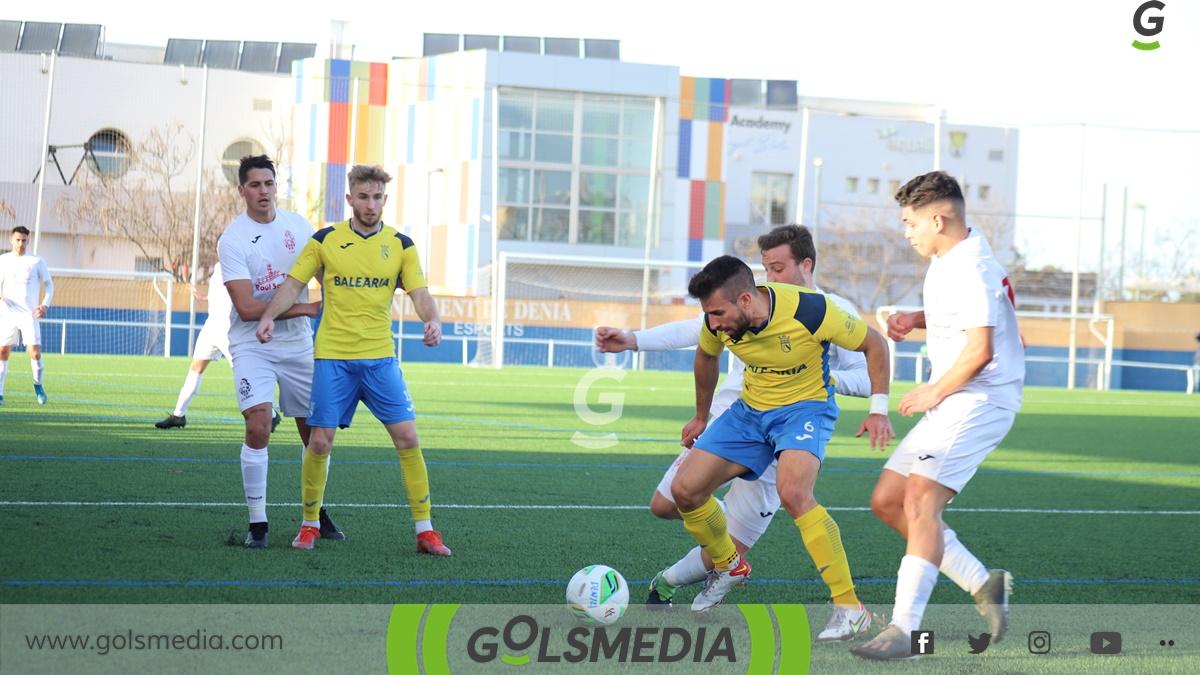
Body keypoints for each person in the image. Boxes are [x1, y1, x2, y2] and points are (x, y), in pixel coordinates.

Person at [595, 224, 875, 640]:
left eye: (778, 267)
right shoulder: (741, 305)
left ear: (806, 264)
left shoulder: (825, 309)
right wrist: (634, 340)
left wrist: (819, 378)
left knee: (758, 523)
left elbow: (867, 374)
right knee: (668, 503)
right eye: (765, 267)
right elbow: (697, 331)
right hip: (737, 419)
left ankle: (667, 583)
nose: (770, 277)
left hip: (793, 425)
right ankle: (723, 550)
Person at [851, 171, 1024, 660]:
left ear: (937, 218)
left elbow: (981, 349)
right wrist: (914, 317)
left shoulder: (970, 266)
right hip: (959, 398)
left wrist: (932, 391)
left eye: (910, 223)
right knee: (888, 500)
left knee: (921, 505)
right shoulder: (953, 257)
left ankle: (904, 632)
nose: (907, 232)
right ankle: (982, 583)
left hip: (978, 400)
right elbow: (968, 313)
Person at [666, 254, 894, 616]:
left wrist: (878, 409)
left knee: (794, 493)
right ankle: (730, 565)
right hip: (750, 410)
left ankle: (850, 609)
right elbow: (705, 358)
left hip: (804, 409)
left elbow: (875, 344)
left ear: (745, 300)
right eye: (709, 314)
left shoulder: (812, 310)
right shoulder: (718, 323)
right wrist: (699, 416)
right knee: (683, 491)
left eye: (719, 314)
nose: (713, 323)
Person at [255, 164, 451, 556]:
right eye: (363, 196)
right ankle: (309, 525)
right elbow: (293, 285)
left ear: (385, 199)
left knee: (408, 438)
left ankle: (426, 531)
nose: (371, 204)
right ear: (350, 199)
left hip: (380, 360)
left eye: (377, 197)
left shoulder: (401, 244)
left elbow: (419, 291)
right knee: (321, 443)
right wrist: (267, 316)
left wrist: (433, 319)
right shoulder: (325, 240)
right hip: (333, 359)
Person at [217, 154, 341, 549]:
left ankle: (315, 514)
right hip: (254, 343)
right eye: (254, 185)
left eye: (268, 184)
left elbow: (327, 277)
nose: (263, 191)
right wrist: (308, 307)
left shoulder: (299, 226)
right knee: (258, 426)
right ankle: (258, 525)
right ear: (242, 191)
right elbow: (248, 308)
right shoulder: (232, 239)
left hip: (299, 344)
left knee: (316, 436)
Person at [154, 262, 280, 432]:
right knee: (195, 368)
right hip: (211, 326)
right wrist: (202, 296)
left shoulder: (240, 267)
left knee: (243, 372)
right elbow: (220, 295)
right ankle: (178, 415)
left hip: (228, 328)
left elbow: (245, 296)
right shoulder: (218, 266)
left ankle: (271, 414)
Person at [0, 226, 54, 406]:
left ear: (28, 241)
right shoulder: (4, 260)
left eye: (24, 240)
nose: (21, 243)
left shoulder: (36, 261)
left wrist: (45, 305)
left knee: (35, 353)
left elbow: (49, 284)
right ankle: (0, 392)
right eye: (18, 240)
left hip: (29, 315)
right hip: (7, 313)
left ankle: (38, 385)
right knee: (2, 352)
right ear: (11, 240)